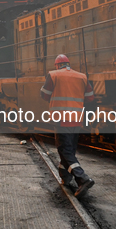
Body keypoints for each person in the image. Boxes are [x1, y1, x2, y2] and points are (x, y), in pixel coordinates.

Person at [40, 54, 95, 198]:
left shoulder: (53, 75)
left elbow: (44, 95)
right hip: (76, 119)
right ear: (68, 64)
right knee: (68, 150)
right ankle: (65, 177)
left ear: (57, 65)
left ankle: (82, 179)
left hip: (61, 119)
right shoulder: (82, 77)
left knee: (65, 150)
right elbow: (90, 97)